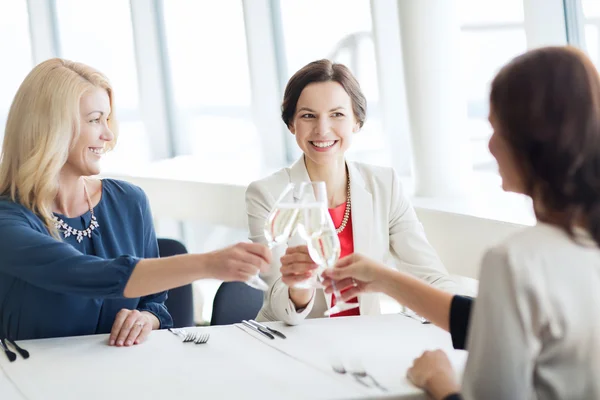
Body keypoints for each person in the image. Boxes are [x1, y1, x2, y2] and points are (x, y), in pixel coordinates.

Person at [322, 46, 600, 399]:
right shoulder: (579, 244)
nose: (490, 146)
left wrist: (439, 381)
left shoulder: (515, 260)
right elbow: (482, 321)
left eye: (496, 129)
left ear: (530, 142)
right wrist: (384, 278)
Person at [0, 58, 271, 345]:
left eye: (107, 119)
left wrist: (146, 318)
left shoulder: (129, 201)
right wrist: (208, 264)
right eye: (94, 120)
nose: (108, 134)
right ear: (51, 129)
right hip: (33, 384)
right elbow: (85, 274)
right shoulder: (8, 219)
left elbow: (155, 304)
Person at [246, 59, 458, 325]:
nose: (322, 129)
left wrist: (468, 318)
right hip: (291, 338)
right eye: (308, 116)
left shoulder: (385, 184)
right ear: (291, 124)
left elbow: (431, 276)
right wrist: (300, 283)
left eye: (337, 114)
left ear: (357, 121)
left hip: (363, 339)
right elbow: (278, 300)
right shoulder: (266, 194)